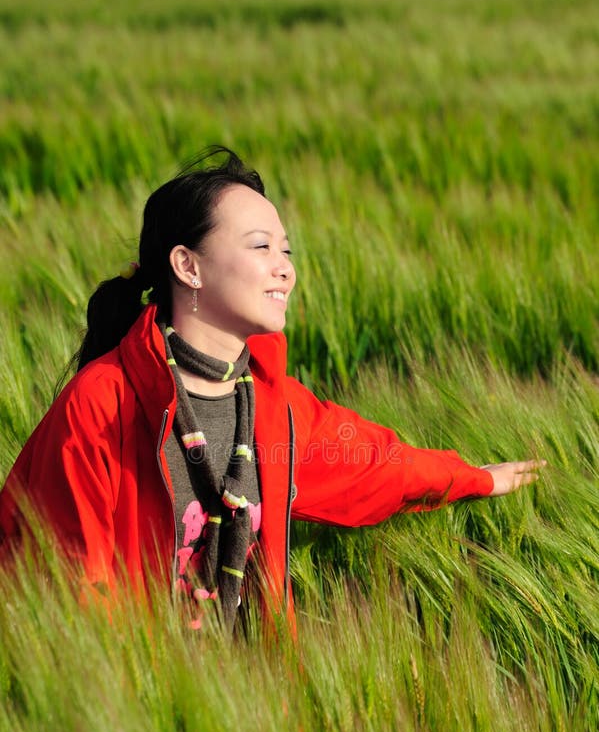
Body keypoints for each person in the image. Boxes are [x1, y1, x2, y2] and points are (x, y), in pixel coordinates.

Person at [0, 147, 543, 633]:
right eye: (262, 247)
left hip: (255, 715)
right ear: (187, 266)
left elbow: (374, 466)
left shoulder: (271, 403)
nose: (284, 270)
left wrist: (472, 479)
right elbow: (66, 592)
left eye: (287, 251)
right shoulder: (101, 405)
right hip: (134, 714)